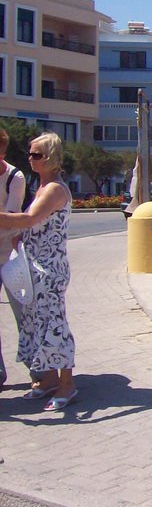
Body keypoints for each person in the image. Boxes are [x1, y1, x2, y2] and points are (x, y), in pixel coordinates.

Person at [0, 132, 76, 410]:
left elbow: (31, 218)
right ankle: (49, 379)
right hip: (35, 265)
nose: (30, 159)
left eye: (36, 155)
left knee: (55, 324)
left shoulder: (55, 188)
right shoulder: (42, 186)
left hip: (50, 268)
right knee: (37, 324)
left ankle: (67, 384)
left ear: (51, 157)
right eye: (29, 154)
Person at [0, 127, 28, 391]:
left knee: (23, 313)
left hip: (10, 255)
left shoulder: (14, 177)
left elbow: (10, 220)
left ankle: (39, 370)